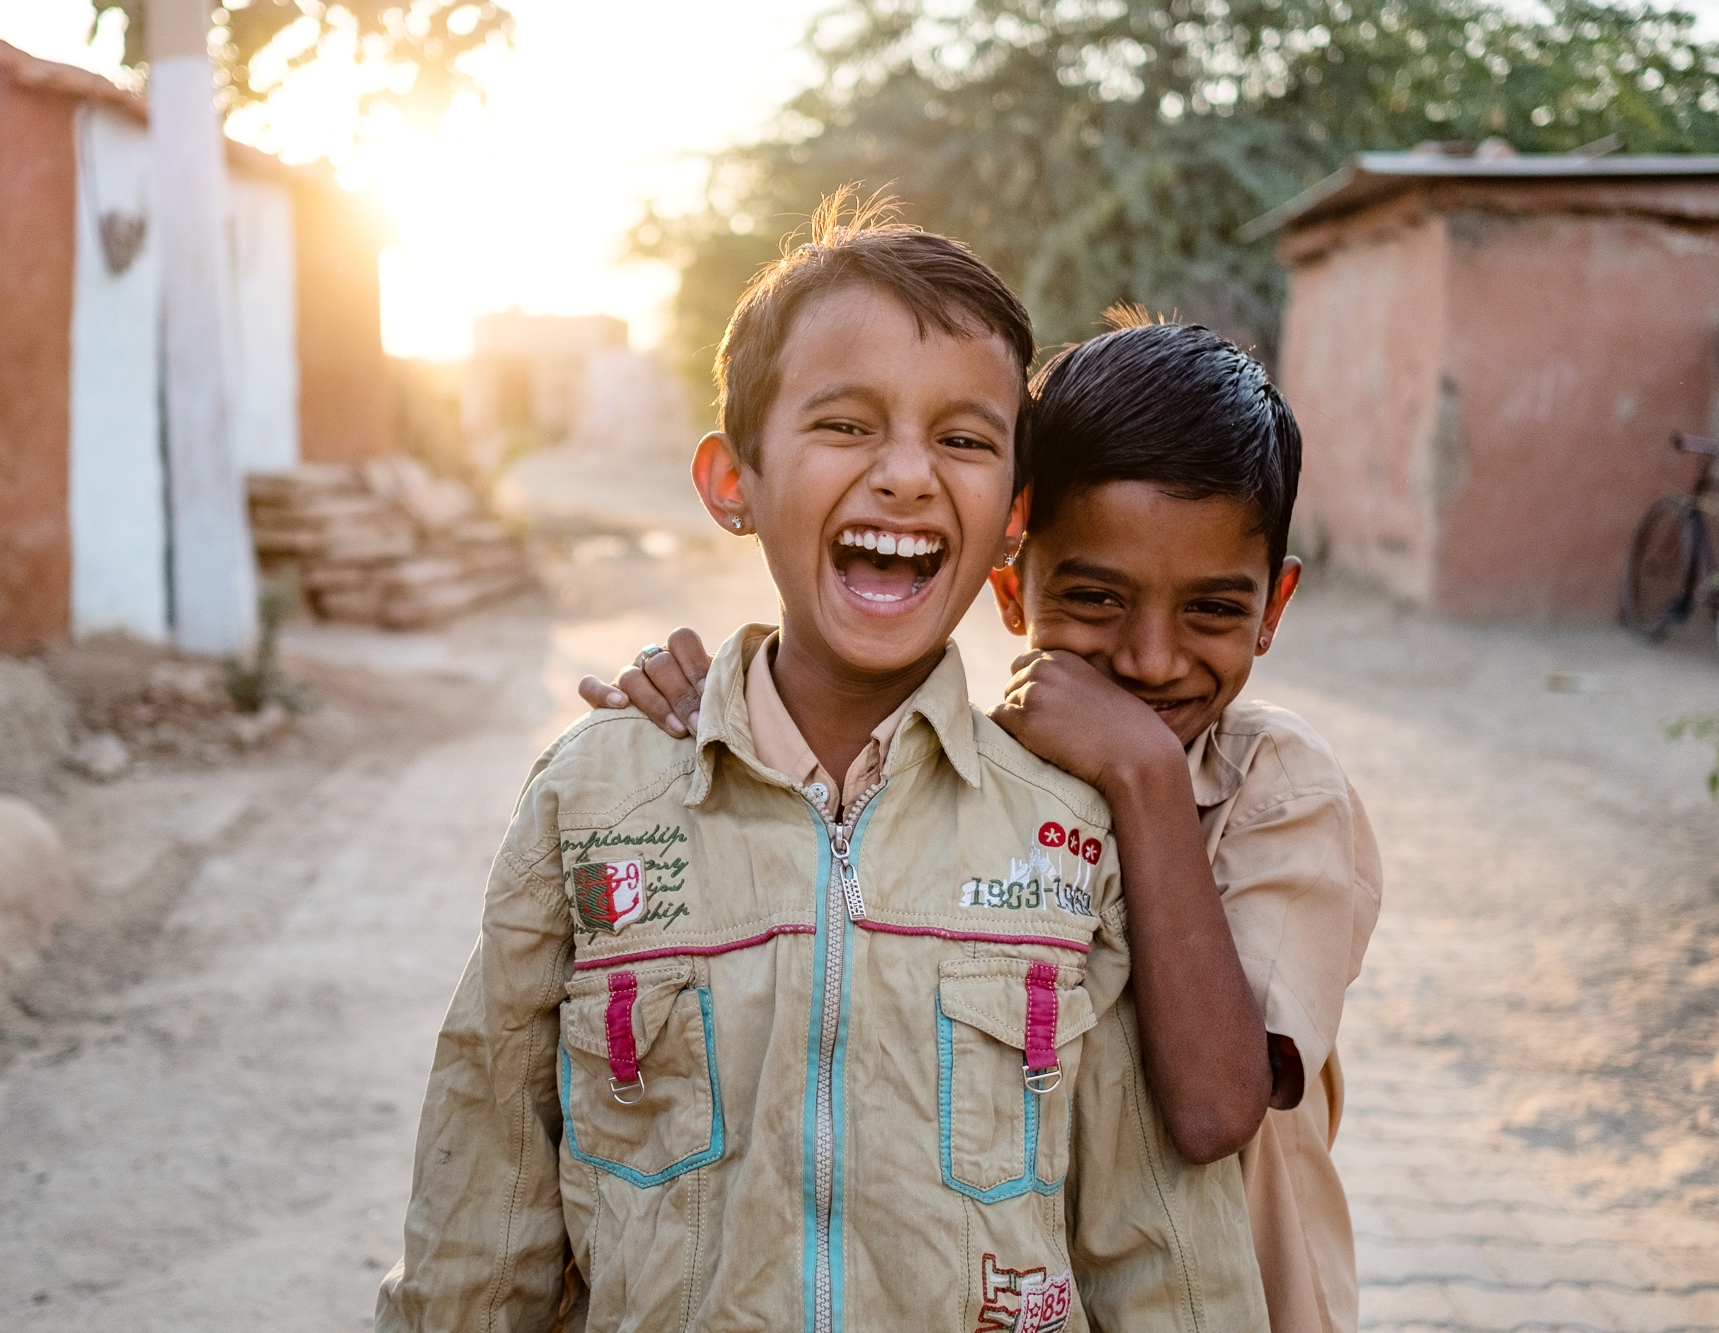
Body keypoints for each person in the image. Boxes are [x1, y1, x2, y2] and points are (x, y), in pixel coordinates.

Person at [378, 203, 1270, 1333]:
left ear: (1012, 516)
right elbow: (481, 1200)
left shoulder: (1067, 828)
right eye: (844, 425)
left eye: (961, 438)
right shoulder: (594, 799)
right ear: (731, 482)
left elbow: (1158, 1249)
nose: (904, 475)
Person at [586, 312, 1382, 1333]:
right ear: (1010, 588)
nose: (1149, 658)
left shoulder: (1276, 789)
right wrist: (722, 714)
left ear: (1273, 604)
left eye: (1211, 611)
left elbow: (1213, 1112)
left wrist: (1141, 773)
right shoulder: (976, 768)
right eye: (1094, 597)